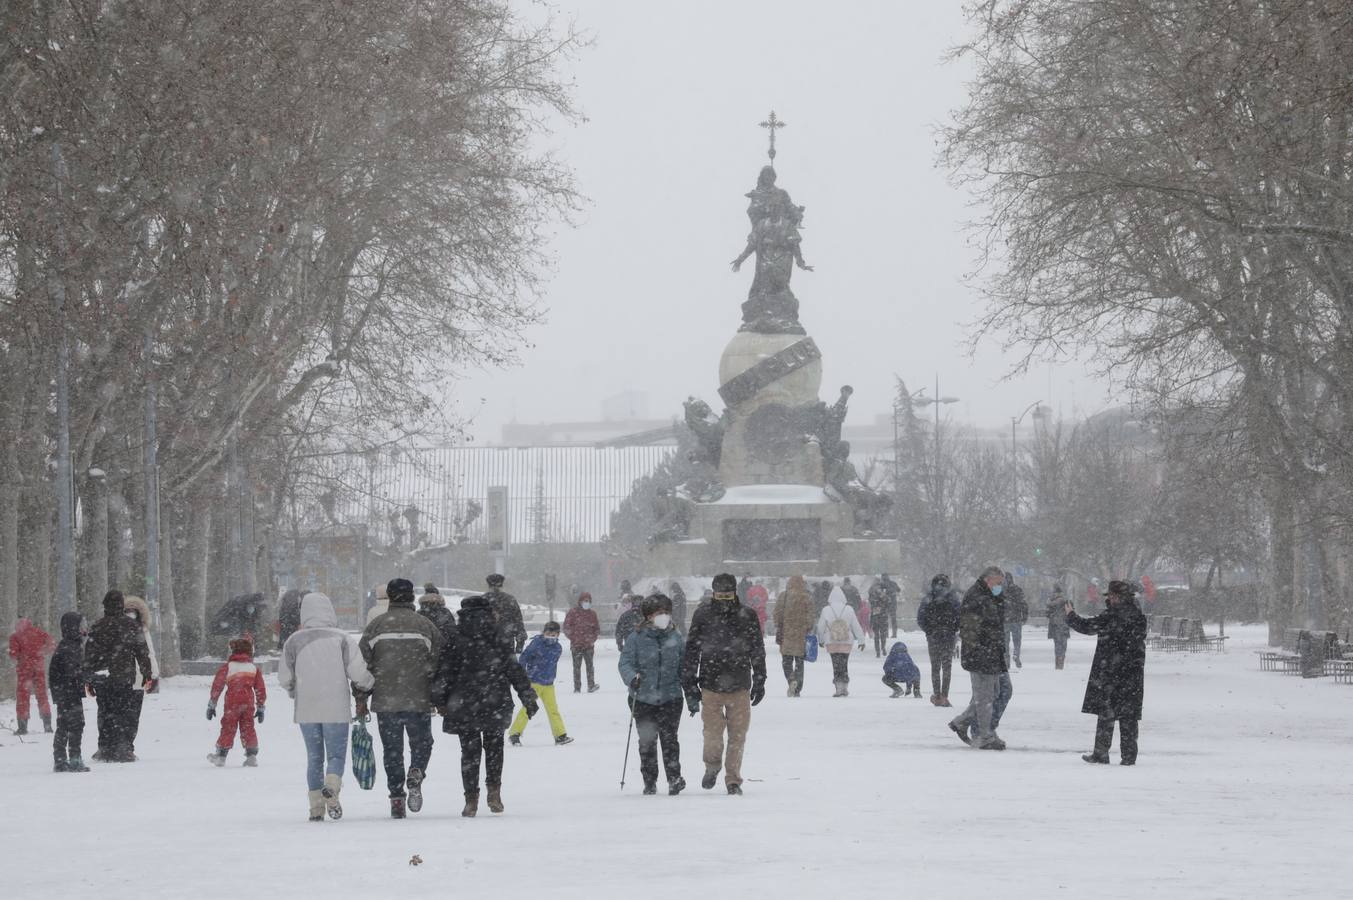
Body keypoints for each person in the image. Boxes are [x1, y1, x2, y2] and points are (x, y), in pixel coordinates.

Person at [435, 594, 538, 817]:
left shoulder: (454, 637)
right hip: (495, 700)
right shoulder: (498, 636)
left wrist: (440, 700)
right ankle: (494, 793)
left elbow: (444, 672)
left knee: (469, 753)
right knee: (494, 749)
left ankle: (470, 799)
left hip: (463, 702)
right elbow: (514, 669)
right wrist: (527, 696)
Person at [278, 591, 375, 822]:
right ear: (329, 611)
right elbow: (358, 673)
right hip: (336, 707)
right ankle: (331, 786)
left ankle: (316, 808)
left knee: (313, 757)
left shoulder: (293, 641)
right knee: (336, 755)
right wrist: (369, 684)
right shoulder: (342, 638)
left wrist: (293, 689)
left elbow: (284, 677)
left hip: (306, 708)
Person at [357, 577, 443, 818]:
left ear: (391, 597)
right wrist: (434, 689)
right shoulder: (425, 626)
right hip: (419, 698)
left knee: (392, 750)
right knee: (423, 743)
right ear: (412, 597)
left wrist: (361, 697)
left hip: (386, 700)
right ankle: (416, 772)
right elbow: (438, 659)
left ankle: (396, 798)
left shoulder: (376, 626)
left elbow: (363, 664)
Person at [682, 573, 767, 795]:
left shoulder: (747, 615)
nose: (724, 599)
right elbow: (691, 650)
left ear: (734, 593)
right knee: (712, 735)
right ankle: (712, 766)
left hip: (740, 685)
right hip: (710, 685)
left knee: (738, 736)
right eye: (720, 595)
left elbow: (757, 649)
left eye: (728, 595)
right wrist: (689, 682)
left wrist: (760, 679)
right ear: (713, 593)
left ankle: (733, 780)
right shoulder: (702, 615)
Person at [1066, 580, 1147, 765]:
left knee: (1107, 713)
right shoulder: (1137, 615)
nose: (1109, 598)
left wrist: (1071, 616)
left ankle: (1101, 752)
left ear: (1118, 597)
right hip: (1132, 672)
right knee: (1128, 716)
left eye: (1112, 596)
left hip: (1112, 670)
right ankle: (1129, 756)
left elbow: (1088, 627)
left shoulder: (1112, 615)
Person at [618, 594, 687, 795]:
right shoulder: (636, 638)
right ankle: (650, 780)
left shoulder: (676, 637)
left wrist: (691, 696)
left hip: (671, 697)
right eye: (659, 613)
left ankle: (674, 778)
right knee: (647, 742)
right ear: (648, 616)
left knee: (670, 740)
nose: (664, 616)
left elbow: (684, 668)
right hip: (643, 699)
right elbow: (625, 663)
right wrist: (632, 678)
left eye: (667, 612)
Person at [84, 590, 154, 762]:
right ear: (121, 605)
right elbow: (142, 652)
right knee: (125, 713)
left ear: (105, 606)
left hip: (103, 677)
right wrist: (147, 674)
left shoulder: (97, 626)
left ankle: (105, 747)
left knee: (105, 711)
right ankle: (124, 747)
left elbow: (89, 655)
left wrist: (89, 679)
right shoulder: (132, 626)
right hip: (124, 676)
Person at [947, 567, 1008, 751]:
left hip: (991, 653)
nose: (1000, 587)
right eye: (998, 583)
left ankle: (962, 722)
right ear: (989, 580)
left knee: (995, 692)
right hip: (982, 655)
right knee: (985, 696)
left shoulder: (989, 596)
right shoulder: (976, 598)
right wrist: (981, 651)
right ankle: (984, 736)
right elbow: (971, 629)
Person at [509, 621, 573, 746]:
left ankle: (560, 735)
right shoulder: (536, 644)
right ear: (544, 632)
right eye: (548, 633)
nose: (551, 636)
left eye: (554, 634)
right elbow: (524, 658)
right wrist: (522, 675)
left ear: (558, 634)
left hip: (549, 684)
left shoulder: (558, 648)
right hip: (534, 682)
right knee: (528, 708)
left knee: (553, 710)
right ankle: (514, 734)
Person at [206, 638, 267, 767]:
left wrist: (212, 703)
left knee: (228, 726)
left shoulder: (228, 667)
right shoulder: (253, 668)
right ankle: (251, 755)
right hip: (248, 701)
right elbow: (260, 688)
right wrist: (261, 706)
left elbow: (218, 685)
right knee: (248, 727)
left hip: (232, 702)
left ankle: (221, 755)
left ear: (233, 651)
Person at [48, 612, 89, 772]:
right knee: (75, 725)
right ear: (73, 628)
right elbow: (73, 672)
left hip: (64, 693)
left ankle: (60, 759)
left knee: (64, 725)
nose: (84, 630)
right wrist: (90, 677)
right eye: (81, 626)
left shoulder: (69, 645)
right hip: (68, 693)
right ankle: (74, 758)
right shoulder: (69, 648)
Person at [917, 575, 961, 707]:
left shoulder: (928, 599)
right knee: (947, 667)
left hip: (933, 637)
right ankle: (944, 696)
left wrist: (929, 631)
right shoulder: (953, 599)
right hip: (948, 636)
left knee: (935, 667)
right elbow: (960, 616)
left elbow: (920, 618)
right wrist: (953, 629)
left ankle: (936, 695)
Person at [815, 585, 866, 697]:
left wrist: (821, 639)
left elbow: (820, 627)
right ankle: (845, 686)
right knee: (844, 664)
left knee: (836, 664)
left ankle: (838, 687)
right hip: (846, 641)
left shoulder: (826, 609)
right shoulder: (849, 609)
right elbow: (856, 626)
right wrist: (861, 640)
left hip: (831, 641)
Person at [8, 617, 54, 735]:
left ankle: (23, 727)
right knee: (42, 695)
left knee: (23, 698)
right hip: (38, 667)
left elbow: (13, 654)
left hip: (24, 669)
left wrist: (18, 656)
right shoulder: (39, 632)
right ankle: (47, 724)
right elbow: (51, 645)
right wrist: (41, 653)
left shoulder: (15, 636)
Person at [772, 575, 815, 697]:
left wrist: (779, 624)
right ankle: (798, 688)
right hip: (801, 634)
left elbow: (777, 613)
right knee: (799, 662)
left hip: (787, 633)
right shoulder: (807, 597)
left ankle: (791, 680)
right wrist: (807, 627)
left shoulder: (784, 596)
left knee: (786, 661)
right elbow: (811, 616)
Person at [563, 591, 600, 693]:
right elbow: (566, 627)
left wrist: (592, 639)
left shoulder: (593, 614)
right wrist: (574, 638)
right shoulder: (573, 612)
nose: (586, 602)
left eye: (588, 601)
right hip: (576, 645)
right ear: (580, 601)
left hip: (589, 645)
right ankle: (577, 687)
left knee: (590, 666)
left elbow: (596, 628)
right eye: (585, 600)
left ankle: (591, 685)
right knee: (576, 667)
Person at [483, 573, 527, 653]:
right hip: (506, 641)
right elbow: (518, 622)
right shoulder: (510, 600)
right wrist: (520, 644)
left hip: (486, 643)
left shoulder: (482, 600)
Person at [1003, 571, 1029, 669]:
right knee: (1017, 640)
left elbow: (995, 605)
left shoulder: (999, 590)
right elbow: (1024, 604)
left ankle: (1006, 660)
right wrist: (1025, 616)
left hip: (1004, 619)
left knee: (1005, 641)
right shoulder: (1018, 589)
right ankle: (1016, 654)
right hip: (1016, 619)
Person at [1047, 585, 1071, 669]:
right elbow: (1071, 612)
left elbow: (1047, 614)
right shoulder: (1066, 601)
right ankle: (1061, 661)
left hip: (1055, 625)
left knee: (1057, 644)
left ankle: (1058, 662)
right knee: (1063, 644)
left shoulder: (1050, 602)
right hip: (1064, 625)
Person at [867, 579, 890, 657]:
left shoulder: (871, 593)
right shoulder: (883, 594)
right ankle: (883, 648)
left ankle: (878, 651)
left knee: (876, 635)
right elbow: (888, 603)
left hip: (875, 616)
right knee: (883, 634)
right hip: (883, 616)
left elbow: (871, 603)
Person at [880, 573, 902, 637]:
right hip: (893, 604)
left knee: (885, 619)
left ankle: (886, 634)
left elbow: (880, 594)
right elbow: (899, 590)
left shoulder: (882, 585)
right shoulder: (893, 583)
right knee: (893, 619)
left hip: (885, 604)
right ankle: (894, 634)